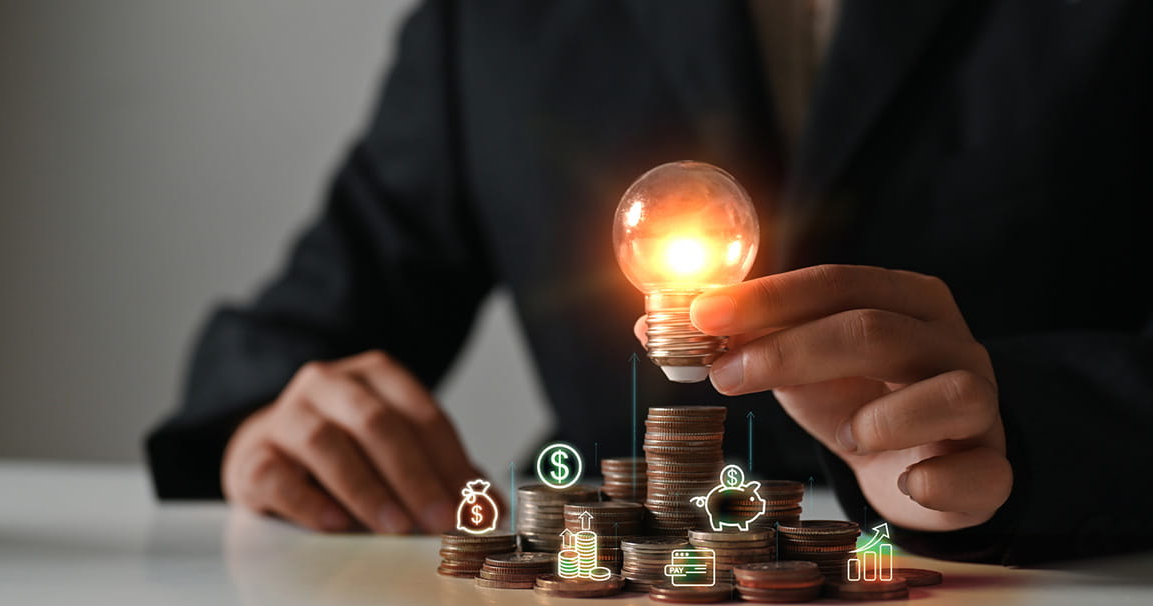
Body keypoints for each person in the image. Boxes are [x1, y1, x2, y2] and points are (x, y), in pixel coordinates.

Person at [146, 0, 1153, 565]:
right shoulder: (486, 26)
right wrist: (271, 423)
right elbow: (302, 328)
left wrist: (1016, 430)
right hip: (612, 567)